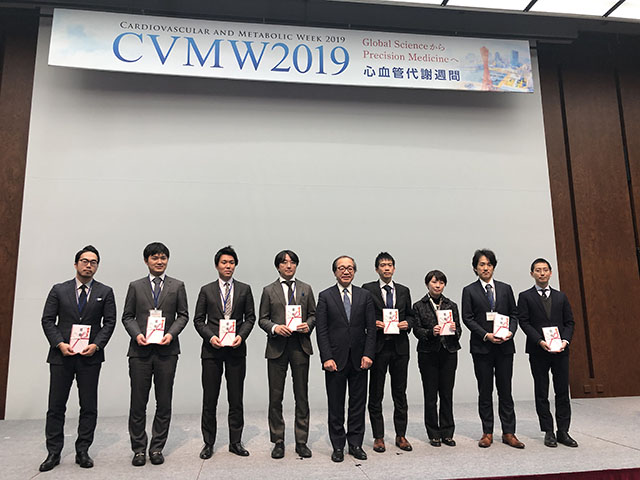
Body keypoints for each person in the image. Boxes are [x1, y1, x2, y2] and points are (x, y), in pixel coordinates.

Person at [39, 245, 116, 472]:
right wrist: (59, 343)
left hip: (90, 357)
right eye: (84, 261)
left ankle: (83, 450)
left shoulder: (105, 291)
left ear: (97, 266)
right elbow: (47, 320)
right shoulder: (59, 290)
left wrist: (97, 345)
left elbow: (109, 322)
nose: (88, 265)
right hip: (62, 355)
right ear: (76, 264)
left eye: (93, 262)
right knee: (56, 406)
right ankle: (53, 452)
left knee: (88, 406)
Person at [122, 242, 189, 466]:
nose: (159, 261)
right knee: (138, 402)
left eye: (163, 258)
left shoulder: (177, 285)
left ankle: (157, 447)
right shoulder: (135, 286)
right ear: (146, 261)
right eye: (154, 258)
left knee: (164, 401)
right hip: (139, 351)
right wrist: (137, 335)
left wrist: (170, 334)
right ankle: (139, 449)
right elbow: (127, 316)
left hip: (167, 351)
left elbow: (183, 315)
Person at [194, 245, 256, 459]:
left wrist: (242, 336)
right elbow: (198, 320)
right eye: (224, 262)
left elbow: (250, 318)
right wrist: (211, 337)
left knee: (236, 398)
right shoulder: (206, 290)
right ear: (216, 265)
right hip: (212, 350)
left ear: (235, 265)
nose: (228, 266)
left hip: (236, 350)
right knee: (210, 399)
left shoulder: (245, 289)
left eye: (231, 263)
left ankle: (235, 442)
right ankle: (208, 443)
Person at [461, 249, 524, 449]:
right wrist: (485, 335)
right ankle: (487, 432)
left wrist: (510, 332)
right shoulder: (469, 290)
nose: (485, 268)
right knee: (485, 391)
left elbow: (514, 315)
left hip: (505, 347)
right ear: (475, 268)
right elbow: (467, 318)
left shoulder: (505, 288)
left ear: (494, 267)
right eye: (481, 264)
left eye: (489, 264)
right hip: (482, 347)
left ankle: (509, 432)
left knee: (505, 390)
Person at [316, 255, 376, 462]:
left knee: (358, 404)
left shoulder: (365, 295)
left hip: (360, 359)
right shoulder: (325, 296)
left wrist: (368, 354)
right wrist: (326, 357)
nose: (346, 271)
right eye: (341, 268)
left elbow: (371, 329)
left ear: (355, 271)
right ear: (335, 272)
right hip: (335, 360)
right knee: (336, 405)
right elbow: (321, 330)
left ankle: (355, 444)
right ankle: (338, 446)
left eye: (350, 268)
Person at [258, 250, 316, 459]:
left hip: (300, 346)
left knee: (302, 395)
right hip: (277, 348)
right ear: (278, 266)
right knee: (276, 397)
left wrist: (307, 325)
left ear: (296, 265)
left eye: (292, 262)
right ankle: (278, 441)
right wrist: (275, 328)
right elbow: (262, 319)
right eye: (284, 262)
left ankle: (301, 441)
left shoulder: (306, 289)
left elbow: (313, 315)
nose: (288, 266)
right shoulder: (268, 290)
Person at [517, 258, 578, 448]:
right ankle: (548, 431)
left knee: (562, 391)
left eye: (545, 270)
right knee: (541, 391)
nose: (542, 273)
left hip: (560, 351)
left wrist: (565, 341)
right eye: (538, 270)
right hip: (538, 350)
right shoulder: (525, 296)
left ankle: (563, 431)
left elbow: (569, 322)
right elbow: (524, 322)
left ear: (551, 272)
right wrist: (539, 340)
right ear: (532, 274)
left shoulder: (561, 297)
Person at [361, 252, 413, 453]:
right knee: (376, 393)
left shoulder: (404, 290)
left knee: (400, 393)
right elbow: (362, 315)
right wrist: (372, 323)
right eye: (383, 265)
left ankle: (401, 435)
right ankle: (379, 437)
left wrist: (408, 323)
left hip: (400, 347)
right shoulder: (368, 289)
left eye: (390, 265)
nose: (387, 268)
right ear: (377, 269)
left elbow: (411, 315)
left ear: (394, 268)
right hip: (378, 347)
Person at [412, 269, 461, 447]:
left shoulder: (451, 305)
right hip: (428, 354)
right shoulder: (419, 305)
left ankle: (447, 433)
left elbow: (459, 330)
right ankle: (433, 433)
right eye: (434, 282)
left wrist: (454, 330)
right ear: (427, 284)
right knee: (430, 394)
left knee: (447, 394)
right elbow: (416, 330)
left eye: (441, 282)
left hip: (449, 352)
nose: (438, 285)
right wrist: (430, 332)